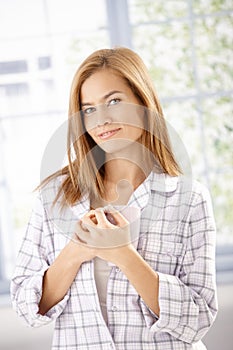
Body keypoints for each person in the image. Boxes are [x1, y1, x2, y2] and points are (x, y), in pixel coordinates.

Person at [11, 47, 218, 350]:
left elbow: (199, 318)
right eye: (89, 109)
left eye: (114, 101)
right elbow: (25, 307)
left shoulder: (188, 199)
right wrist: (75, 251)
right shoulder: (54, 198)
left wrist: (124, 254)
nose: (102, 119)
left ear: (143, 102)